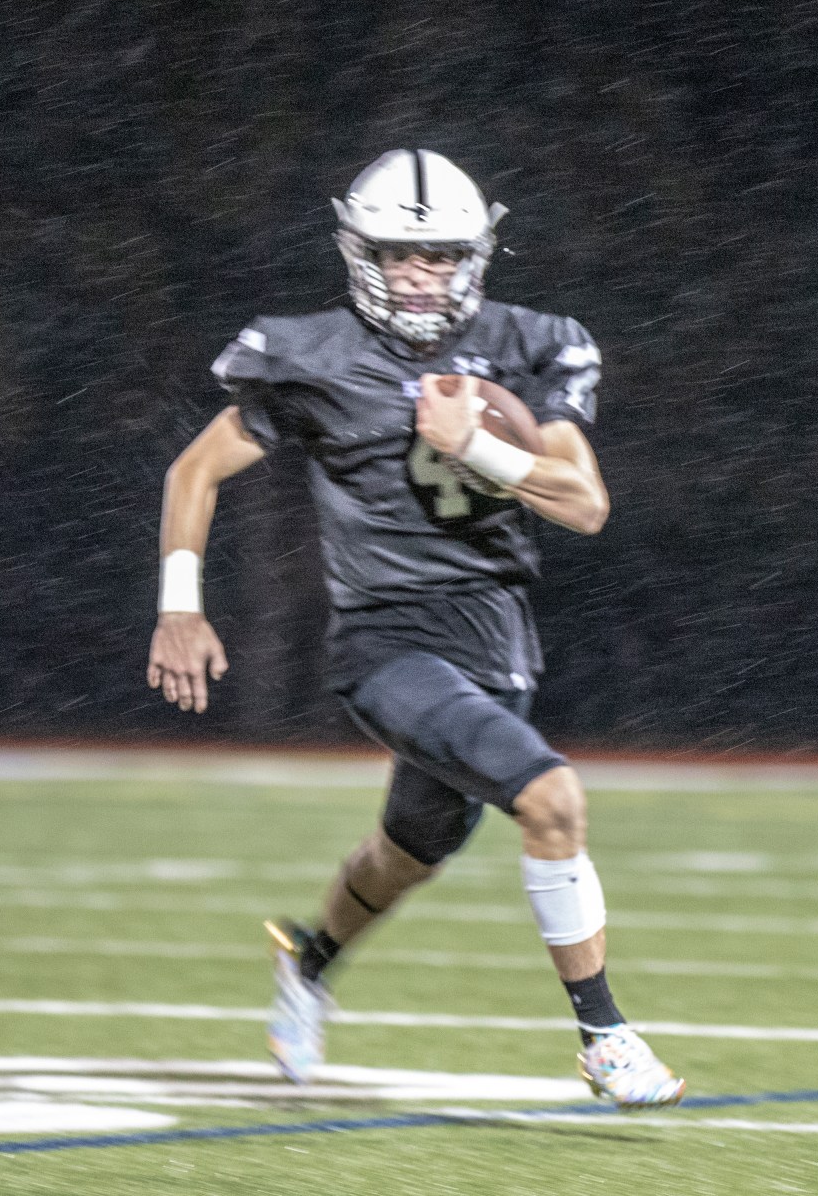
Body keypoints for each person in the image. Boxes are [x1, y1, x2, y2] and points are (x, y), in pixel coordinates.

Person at [147, 149, 685, 1110]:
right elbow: (194, 470)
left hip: (497, 641)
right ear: (360, 254)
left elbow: (584, 502)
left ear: (473, 257)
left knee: (409, 849)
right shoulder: (312, 353)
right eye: (398, 254)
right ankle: (604, 1035)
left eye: (438, 256)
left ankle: (307, 962)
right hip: (385, 641)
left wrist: (473, 445)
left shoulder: (530, 342)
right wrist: (180, 605)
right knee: (552, 797)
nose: (418, 275)